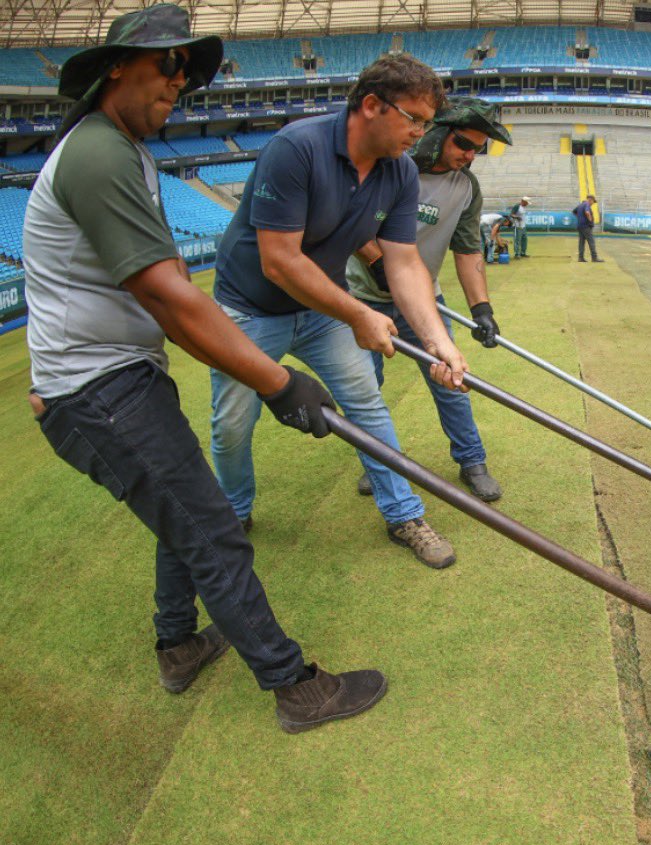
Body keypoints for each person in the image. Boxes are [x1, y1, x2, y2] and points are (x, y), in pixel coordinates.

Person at [21, 2, 385, 733]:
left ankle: (179, 644)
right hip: (99, 390)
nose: (179, 83)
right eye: (167, 64)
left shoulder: (123, 151)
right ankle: (294, 687)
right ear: (114, 67)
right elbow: (172, 300)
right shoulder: (97, 152)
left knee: (183, 515)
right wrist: (279, 382)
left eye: (187, 73)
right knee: (213, 528)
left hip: (111, 383)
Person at [210, 53, 467, 570]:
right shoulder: (296, 148)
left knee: (367, 405)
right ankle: (233, 513)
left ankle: (403, 514)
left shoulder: (399, 174)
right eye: (413, 119)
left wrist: (438, 338)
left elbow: (404, 263)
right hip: (250, 310)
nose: (421, 133)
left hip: (321, 308)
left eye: (427, 122)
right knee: (233, 422)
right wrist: (358, 315)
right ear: (372, 105)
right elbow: (280, 262)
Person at [347, 97, 509, 502]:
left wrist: (481, 309)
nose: (470, 155)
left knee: (452, 382)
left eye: (478, 148)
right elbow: (348, 221)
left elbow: (469, 249)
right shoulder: (387, 168)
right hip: (363, 299)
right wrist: (380, 264)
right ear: (436, 134)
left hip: (423, 302)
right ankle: (379, 462)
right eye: (463, 144)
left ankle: (472, 461)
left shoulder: (466, 188)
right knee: (365, 389)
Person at [574, 194, 603, 262]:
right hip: (586, 227)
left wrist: (580, 217)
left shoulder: (580, 205)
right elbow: (587, 212)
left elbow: (574, 211)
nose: (593, 203)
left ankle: (580, 258)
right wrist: (589, 219)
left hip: (580, 226)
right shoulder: (587, 204)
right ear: (591, 200)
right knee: (591, 242)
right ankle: (594, 258)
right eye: (593, 202)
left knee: (581, 242)